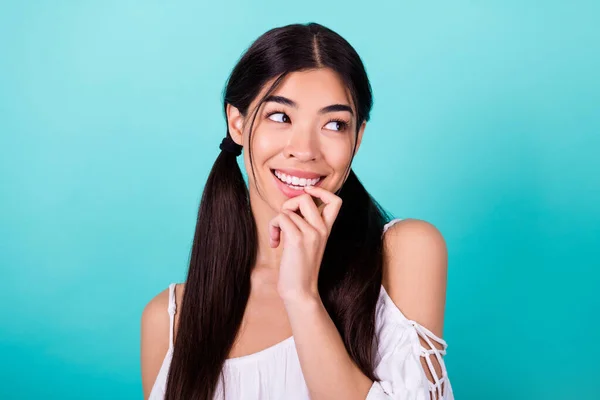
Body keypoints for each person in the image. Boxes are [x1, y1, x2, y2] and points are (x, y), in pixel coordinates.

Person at [140, 22, 453, 400]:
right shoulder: (171, 320)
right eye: (280, 116)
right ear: (237, 123)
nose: (304, 149)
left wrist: (302, 297)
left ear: (358, 138)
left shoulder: (404, 252)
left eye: (335, 124)